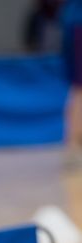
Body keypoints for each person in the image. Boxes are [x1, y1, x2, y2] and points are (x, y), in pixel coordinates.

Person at [61, 0, 82, 165]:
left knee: (77, 88)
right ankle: (74, 148)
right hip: (77, 24)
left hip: (72, 21)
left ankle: (74, 146)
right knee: (79, 88)